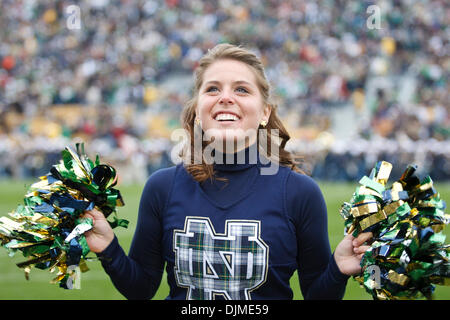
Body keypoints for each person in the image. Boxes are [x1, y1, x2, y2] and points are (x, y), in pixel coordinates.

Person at [84, 43, 373, 300]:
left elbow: (317, 294)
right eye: (212, 88)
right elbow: (141, 289)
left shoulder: (300, 193)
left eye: (241, 89)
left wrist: (337, 269)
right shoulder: (162, 187)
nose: (225, 97)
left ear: (264, 113)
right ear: (198, 109)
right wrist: (108, 247)